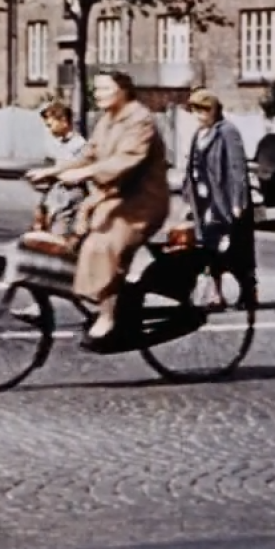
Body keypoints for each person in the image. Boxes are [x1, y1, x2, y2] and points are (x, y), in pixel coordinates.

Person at [26, 71, 169, 345]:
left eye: (105, 89)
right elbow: (89, 154)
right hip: (116, 198)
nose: (98, 94)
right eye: (97, 89)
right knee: (82, 240)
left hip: (143, 201)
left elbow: (127, 159)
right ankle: (110, 304)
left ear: (123, 90)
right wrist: (53, 171)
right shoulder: (107, 120)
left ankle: (108, 318)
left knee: (103, 244)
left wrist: (83, 174)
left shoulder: (140, 119)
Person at [182, 88, 257, 310]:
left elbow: (237, 167)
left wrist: (238, 200)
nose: (199, 115)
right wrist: (188, 196)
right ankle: (216, 294)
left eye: (204, 110)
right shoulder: (199, 134)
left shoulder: (227, 131)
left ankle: (248, 291)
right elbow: (192, 166)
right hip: (204, 201)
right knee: (209, 248)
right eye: (196, 110)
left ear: (215, 110)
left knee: (234, 248)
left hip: (223, 199)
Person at [35, 101, 87, 239]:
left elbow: (78, 174)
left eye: (50, 125)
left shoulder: (79, 145)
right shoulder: (60, 144)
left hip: (70, 197)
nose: (49, 129)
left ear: (63, 121)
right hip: (56, 196)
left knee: (59, 236)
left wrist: (54, 175)